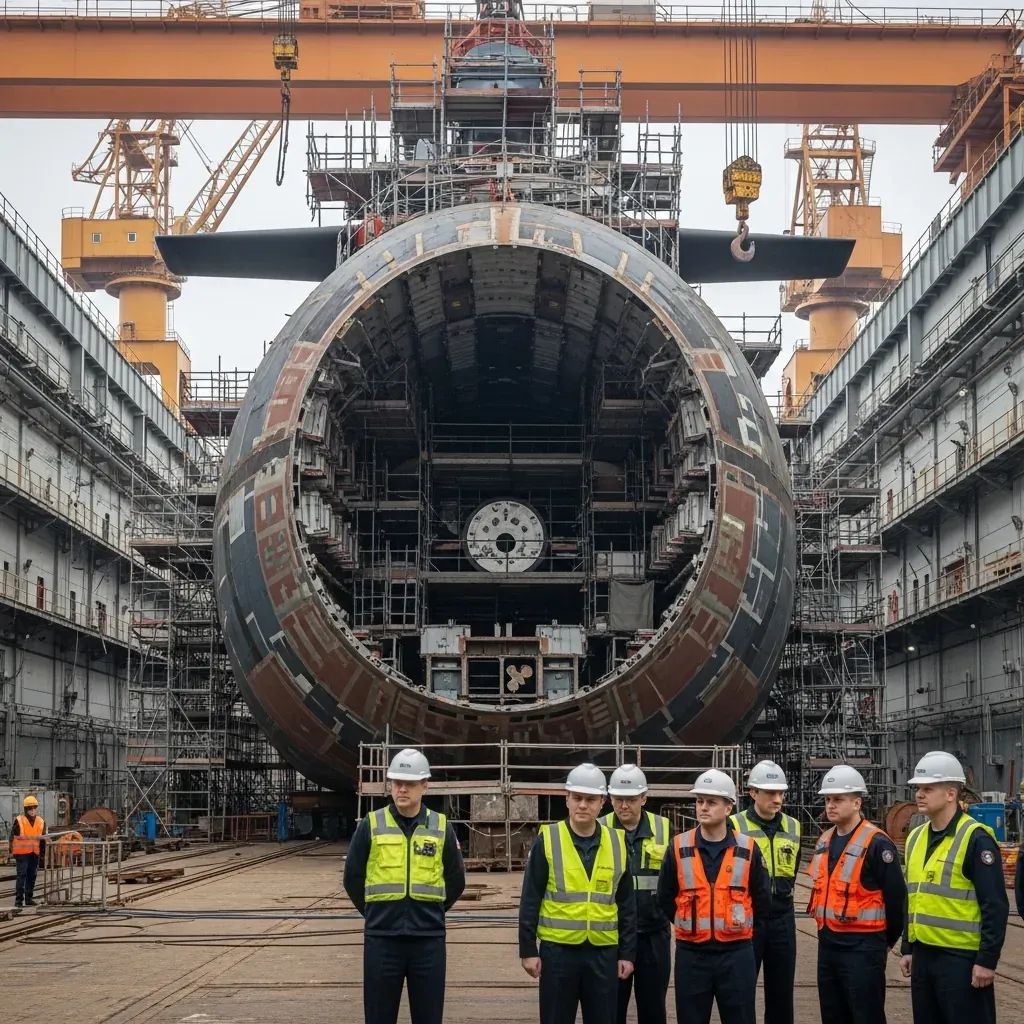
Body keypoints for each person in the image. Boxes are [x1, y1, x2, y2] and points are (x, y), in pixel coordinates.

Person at [343, 748, 466, 1024]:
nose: (402, 789)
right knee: (379, 1016)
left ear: (425, 785)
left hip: (428, 942)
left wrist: (430, 910)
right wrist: (378, 912)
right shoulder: (371, 825)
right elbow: (352, 877)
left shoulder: (441, 827)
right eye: (397, 782)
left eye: (409, 783)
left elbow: (456, 880)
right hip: (382, 940)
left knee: (428, 1016)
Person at [519, 762, 637, 1024]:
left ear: (602, 802)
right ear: (567, 799)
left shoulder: (617, 843)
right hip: (558, 953)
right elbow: (530, 899)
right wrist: (527, 949)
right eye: (578, 798)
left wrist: (627, 953)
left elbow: (627, 904)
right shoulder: (548, 840)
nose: (583, 805)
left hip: (603, 953)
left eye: (590, 799)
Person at [899, 751, 1009, 1024]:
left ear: (950, 793)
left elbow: (995, 905)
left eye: (927, 788)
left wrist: (987, 960)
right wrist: (909, 948)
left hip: (961, 960)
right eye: (917, 789)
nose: (919, 794)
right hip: (924, 956)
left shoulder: (976, 839)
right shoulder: (915, 838)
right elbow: (912, 897)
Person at [657, 768, 771, 1024]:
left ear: (728, 807)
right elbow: (665, 898)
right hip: (691, 955)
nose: (703, 807)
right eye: (699, 801)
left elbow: (763, 902)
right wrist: (691, 923)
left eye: (711, 802)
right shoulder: (678, 847)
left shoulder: (748, 849)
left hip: (737, 954)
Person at [806, 764, 906, 1024]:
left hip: (863, 948)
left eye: (838, 799)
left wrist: (884, 943)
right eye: (828, 799)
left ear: (857, 802)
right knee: (833, 1014)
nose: (831, 805)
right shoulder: (825, 840)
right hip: (828, 946)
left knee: (866, 1015)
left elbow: (897, 900)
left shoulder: (876, 843)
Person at [730, 760, 801, 1024]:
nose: (777, 798)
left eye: (781, 792)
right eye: (770, 793)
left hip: (783, 918)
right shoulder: (734, 826)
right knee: (741, 989)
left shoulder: (793, 826)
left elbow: (792, 869)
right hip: (748, 919)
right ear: (753, 793)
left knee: (782, 993)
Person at [601, 763, 672, 1024]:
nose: (624, 806)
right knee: (611, 1009)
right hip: (612, 936)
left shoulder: (663, 828)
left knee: (653, 1009)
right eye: (618, 799)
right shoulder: (599, 829)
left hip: (654, 935)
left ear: (644, 797)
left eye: (630, 799)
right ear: (609, 798)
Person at [10, 794, 45, 910]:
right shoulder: (19, 820)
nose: (33, 810)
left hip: (34, 853)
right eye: (30, 808)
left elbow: (42, 839)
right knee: (22, 876)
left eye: (34, 808)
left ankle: (29, 899)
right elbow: (12, 837)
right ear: (26, 809)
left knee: (32, 875)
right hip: (22, 854)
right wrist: (13, 852)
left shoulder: (40, 821)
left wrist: (42, 855)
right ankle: (19, 901)